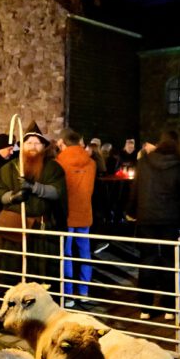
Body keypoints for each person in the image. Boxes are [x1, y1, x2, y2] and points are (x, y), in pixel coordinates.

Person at [0, 122, 67, 281]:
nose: (33, 146)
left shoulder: (53, 168)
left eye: (37, 143)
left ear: (43, 147)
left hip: (41, 232)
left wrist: (34, 187)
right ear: (23, 145)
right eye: (29, 142)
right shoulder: (10, 168)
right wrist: (12, 197)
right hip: (16, 230)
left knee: (40, 272)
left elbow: (57, 192)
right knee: (14, 270)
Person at [128, 130, 180, 319]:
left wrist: (131, 211)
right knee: (170, 262)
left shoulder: (144, 162)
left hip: (147, 217)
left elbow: (136, 188)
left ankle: (145, 307)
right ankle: (169, 307)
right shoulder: (179, 167)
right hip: (170, 219)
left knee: (147, 260)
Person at [57, 128, 97, 306]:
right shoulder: (91, 163)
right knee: (84, 253)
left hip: (66, 215)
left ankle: (68, 294)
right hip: (85, 212)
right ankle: (84, 291)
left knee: (66, 254)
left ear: (63, 143)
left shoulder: (59, 162)